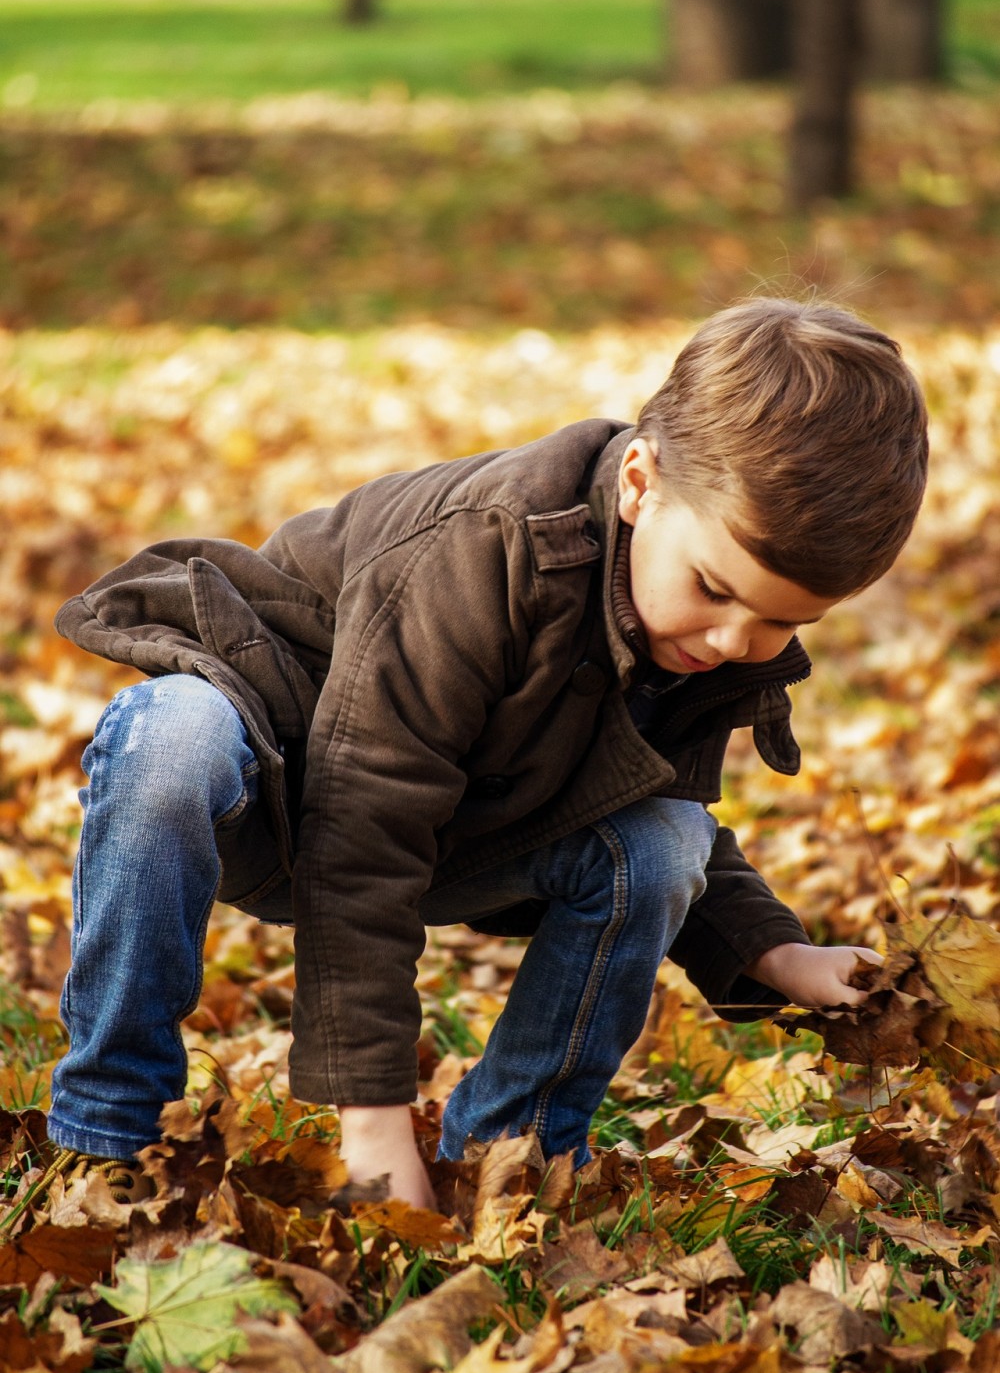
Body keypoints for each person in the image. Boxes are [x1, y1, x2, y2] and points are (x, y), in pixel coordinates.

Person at [16, 298, 928, 1218]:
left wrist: (773, 952)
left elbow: (649, 797)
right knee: (168, 742)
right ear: (641, 484)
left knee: (658, 846)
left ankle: (507, 1159)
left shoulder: (687, 623)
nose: (736, 640)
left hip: (457, 826)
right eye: (716, 591)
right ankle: (111, 1135)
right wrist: (373, 1130)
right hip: (274, 781)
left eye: (785, 622)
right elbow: (364, 821)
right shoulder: (488, 552)